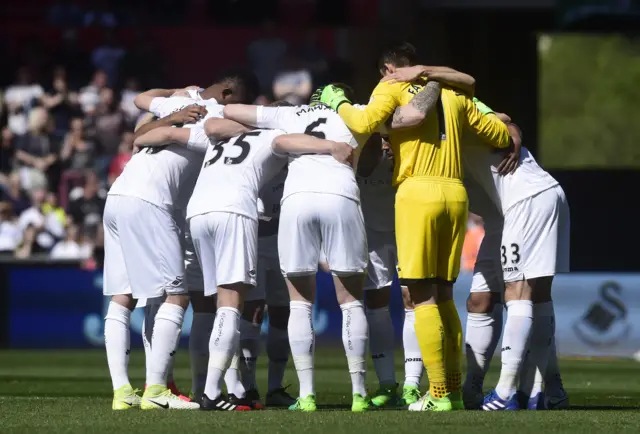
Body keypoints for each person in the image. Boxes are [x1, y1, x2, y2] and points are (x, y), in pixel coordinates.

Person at [319, 42, 512, 412]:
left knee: (421, 297)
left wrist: (337, 102)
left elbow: (362, 123)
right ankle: (451, 391)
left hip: (417, 192)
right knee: (444, 295)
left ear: (388, 68)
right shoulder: (454, 93)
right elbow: (500, 136)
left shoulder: (390, 86)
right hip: (455, 195)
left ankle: (438, 394)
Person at [384, 66, 570, 410]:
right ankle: (527, 390)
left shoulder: (452, 107)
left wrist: (511, 129)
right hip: (504, 214)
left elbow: (499, 115)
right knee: (482, 301)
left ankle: (507, 392)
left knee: (520, 294)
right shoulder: (422, 140)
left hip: (526, 197)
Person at [102, 70, 257, 411]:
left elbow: (139, 135)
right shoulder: (213, 117)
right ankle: (156, 391)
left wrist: (171, 113)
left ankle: (122, 392)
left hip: (118, 197)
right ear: (230, 95)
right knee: (177, 295)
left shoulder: (179, 103)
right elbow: (156, 135)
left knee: (123, 296)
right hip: (151, 202)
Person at [223, 91, 370, 413]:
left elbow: (230, 109)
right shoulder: (355, 111)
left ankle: (307, 396)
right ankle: (360, 393)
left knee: (299, 303)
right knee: (351, 300)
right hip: (341, 194)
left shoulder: (291, 114)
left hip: (297, 201)